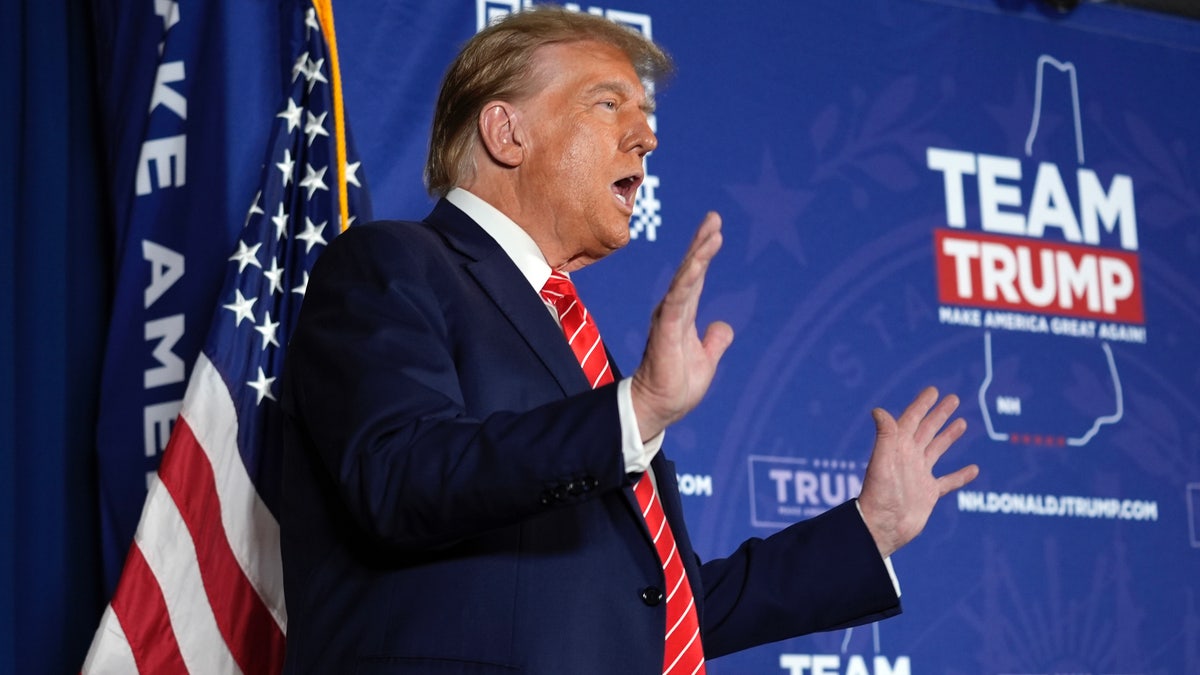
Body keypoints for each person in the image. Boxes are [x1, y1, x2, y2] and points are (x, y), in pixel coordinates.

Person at [278, 6, 979, 674]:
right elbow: (401, 476)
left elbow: (660, 605)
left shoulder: (565, 332)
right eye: (609, 104)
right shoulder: (388, 265)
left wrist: (869, 528)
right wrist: (635, 409)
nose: (647, 137)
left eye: (645, 116)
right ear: (506, 133)